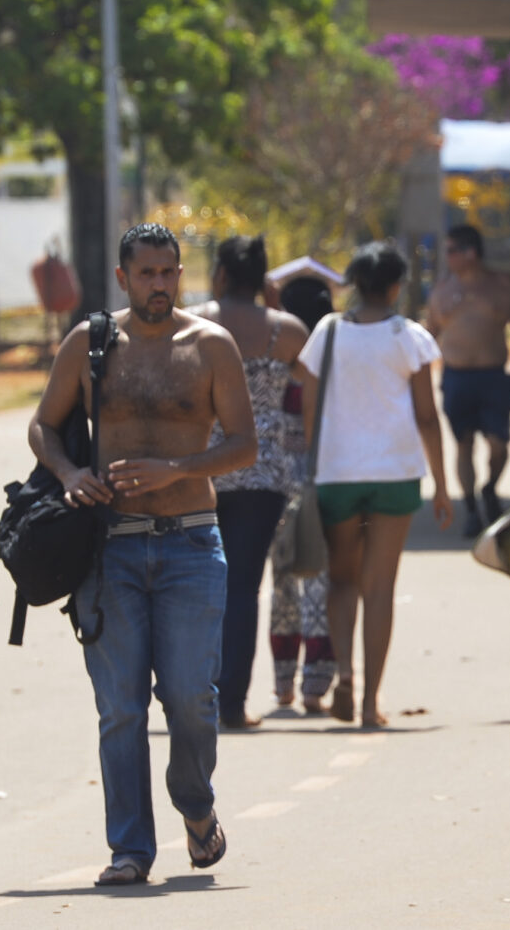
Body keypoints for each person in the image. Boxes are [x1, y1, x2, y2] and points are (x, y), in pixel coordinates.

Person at [32, 223, 257, 888]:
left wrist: (176, 468)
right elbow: (44, 424)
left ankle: (195, 806)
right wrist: (71, 473)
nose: (160, 285)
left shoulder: (210, 346)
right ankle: (130, 848)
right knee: (122, 708)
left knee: (191, 699)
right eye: (147, 274)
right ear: (124, 277)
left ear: (181, 275)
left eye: (170, 272)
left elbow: (244, 444)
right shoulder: (92, 343)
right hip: (112, 549)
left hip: (191, 541)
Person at [292, 239, 454, 728]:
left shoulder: (328, 332)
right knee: (379, 586)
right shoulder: (410, 336)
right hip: (395, 474)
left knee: (342, 580)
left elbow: (308, 403)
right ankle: (369, 703)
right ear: (396, 286)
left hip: (338, 473)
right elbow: (427, 417)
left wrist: (313, 462)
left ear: (355, 285)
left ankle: (345, 673)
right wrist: (442, 485)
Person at [195, 234, 310, 732]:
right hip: (265, 473)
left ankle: (189, 694)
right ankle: (232, 704)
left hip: (203, 469)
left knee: (197, 586)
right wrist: (275, 303)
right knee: (243, 588)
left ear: (220, 274)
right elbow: (309, 386)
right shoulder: (286, 332)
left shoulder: (195, 322)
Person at [423, 223, 510, 535]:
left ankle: (490, 488)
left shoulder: (500, 287)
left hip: (493, 377)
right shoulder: (442, 291)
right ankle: (472, 507)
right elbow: (427, 335)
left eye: (451, 250)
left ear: (470, 253)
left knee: (499, 444)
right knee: (463, 443)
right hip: (457, 377)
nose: (447, 257)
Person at [266, 271, 339, 713]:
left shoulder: (276, 359)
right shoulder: (332, 360)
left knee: (283, 583)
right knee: (320, 581)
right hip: (323, 478)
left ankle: (283, 685)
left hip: (278, 481)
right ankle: (317, 683)